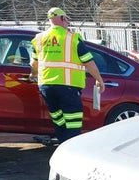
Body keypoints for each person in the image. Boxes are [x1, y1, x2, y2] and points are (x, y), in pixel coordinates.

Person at [30, 7, 105, 143]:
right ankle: (72, 149)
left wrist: (32, 75)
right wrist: (99, 80)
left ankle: (62, 145)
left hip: (46, 87)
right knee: (73, 123)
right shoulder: (72, 38)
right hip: (68, 86)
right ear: (62, 18)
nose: (68, 22)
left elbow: (34, 63)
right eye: (67, 19)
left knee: (59, 121)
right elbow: (89, 62)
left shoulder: (39, 39)